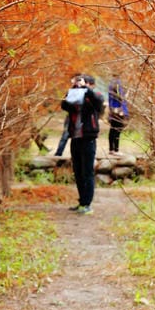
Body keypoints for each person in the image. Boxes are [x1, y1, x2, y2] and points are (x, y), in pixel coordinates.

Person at [61, 73, 105, 212]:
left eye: (83, 83)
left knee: (87, 172)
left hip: (88, 138)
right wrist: (73, 89)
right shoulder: (75, 97)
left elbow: (98, 104)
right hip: (75, 137)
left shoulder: (94, 97)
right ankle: (82, 202)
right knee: (78, 172)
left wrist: (87, 90)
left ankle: (87, 204)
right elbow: (63, 105)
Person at [107, 78, 130, 152]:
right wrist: (125, 96)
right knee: (116, 130)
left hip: (115, 110)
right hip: (117, 111)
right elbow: (119, 96)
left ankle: (113, 149)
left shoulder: (112, 83)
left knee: (114, 130)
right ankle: (115, 149)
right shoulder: (117, 83)